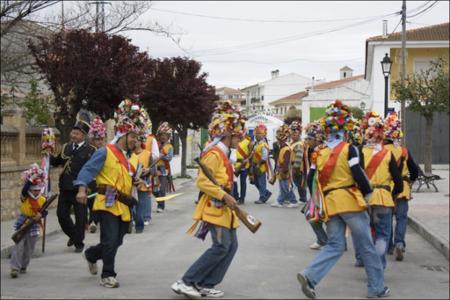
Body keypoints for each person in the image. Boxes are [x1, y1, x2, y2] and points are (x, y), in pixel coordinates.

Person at [297, 100, 389, 299]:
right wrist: (367, 193)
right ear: (345, 128)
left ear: (327, 130)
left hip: (330, 204)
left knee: (335, 245)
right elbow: (358, 173)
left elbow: (312, 179)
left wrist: (315, 204)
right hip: (349, 200)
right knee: (366, 245)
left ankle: (309, 275)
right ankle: (376, 288)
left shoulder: (319, 152)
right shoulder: (350, 149)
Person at [171, 100, 246, 299]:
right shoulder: (214, 154)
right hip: (215, 206)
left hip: (225, 209)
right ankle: (186, 281)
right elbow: (202, 183)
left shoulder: (224, 154)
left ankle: (206, 283)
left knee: (232, 246)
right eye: (238, 135)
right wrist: (224, 194)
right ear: (229, 134)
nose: (241, 139)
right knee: (221, 246)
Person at [74, 99, 147, 288]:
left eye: (137, 138)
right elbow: (87, 170)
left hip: (123, 204)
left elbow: (128, 179)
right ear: (124, 133)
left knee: (117, 241)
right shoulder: (105, 152)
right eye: (133, 137)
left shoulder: (128, 158)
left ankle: (91, 254)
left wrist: (136, 181)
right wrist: (82, 189)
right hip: (105, 202)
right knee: (109, 240)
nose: (135, 141)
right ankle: (108, 275)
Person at [355, 112, 403, 270]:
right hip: (383, 198)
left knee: (365, 233)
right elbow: (399, 182)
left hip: (365, 198)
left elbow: (356, 176)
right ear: (382, 136)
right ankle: (378, 266)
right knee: (382, 235)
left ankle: (363, 259)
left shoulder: (360, 152)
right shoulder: (388, 154)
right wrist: (393, 195)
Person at [50, 115, 96, 253]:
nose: (73, 135)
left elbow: (93, 170)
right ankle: (73, 236)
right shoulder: (65, 147)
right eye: (73, 132)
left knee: (80, 218)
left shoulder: (91, 150)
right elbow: (57, 162)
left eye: (77, 133)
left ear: (83, 135)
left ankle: (79, 242)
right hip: (65, 187)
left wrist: (90, 187)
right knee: (62, 215)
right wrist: (48, 153)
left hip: (80, 188)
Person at [384, 112, 419, 261]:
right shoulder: (404, 151)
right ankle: (400, 243)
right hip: (403, 188)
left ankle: (390, 246)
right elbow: (414, 169)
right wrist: (411, 180)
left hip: (387, 188)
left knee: (388, 218)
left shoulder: (383, 151)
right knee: (401, 218)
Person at [10, 164, 47, 278]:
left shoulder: (42, 199)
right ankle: (15, 268)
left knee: (29, 248)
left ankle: (24, 265)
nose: (35, 192)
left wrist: (40, 215)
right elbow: (25, 188)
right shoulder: (25, 197)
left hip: (34, 224)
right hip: (23, 222)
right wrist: (33, 177)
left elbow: (45, 212)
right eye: (33, 190)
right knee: (18, 245)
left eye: (37, 190)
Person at [303, 122, 328, 250]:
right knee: (314, 214)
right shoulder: (314, 151)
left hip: (322, 189)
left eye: (309, 139)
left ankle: (326, 240)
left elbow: (315, 172)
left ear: (317, 139)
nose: (307, 141)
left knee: (312, 214)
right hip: (316, 189)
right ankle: (325, 240)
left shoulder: (322, 151)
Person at [86, 117, 107, 233]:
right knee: (90, 202)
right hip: (91, 180)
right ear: (92, 139)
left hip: (101, 180)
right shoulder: (89, 150)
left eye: (101, 139)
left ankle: (93, 221)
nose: (99, 141)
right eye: (97, 139)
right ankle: (92, 221)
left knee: (97, 201)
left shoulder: (105, 151)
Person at [272, 124, 298, 208]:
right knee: (282, 187)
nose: (278, 141)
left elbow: (286, 161)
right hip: (281, 170)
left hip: (284, 171)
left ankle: (293, 201)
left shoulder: (286, 149)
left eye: (279, 139)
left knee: (286, 187)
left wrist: (284, 171)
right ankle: (280, 201)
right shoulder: (282, 147)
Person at [132, 123, 152, 233]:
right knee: (132, 203)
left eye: (137, 140)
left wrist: (149, 170)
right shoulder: (129, 154)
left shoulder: (148, 154)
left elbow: (153, 168)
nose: (135, 142)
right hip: (131, 181)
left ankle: (144, 218)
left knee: (142, 202)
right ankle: (135, 219)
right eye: (134, 140)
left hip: (144, 181)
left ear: (141, 142)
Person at [155, 122, 174, 213]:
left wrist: (161, 156)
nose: (163, 137)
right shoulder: (156, 145)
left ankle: (161, 206)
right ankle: (159, 200)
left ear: (168, 136)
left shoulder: (170, 146)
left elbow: (169, 158)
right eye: (162, 135)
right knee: (153, 189)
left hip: (163, 169)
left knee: (162, 188)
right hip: (154, 168)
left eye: (165, 135)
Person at [252, 124, 272, 204]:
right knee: (256, 182)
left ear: (263, 135)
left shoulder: (263, 145)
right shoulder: (257, 143)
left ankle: (262, 197)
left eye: (259, 134)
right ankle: (266, 193)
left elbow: (264, 157)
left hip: (261, 166)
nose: (257, 135)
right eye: (256, 134)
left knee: (261, 182)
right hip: (255, 165)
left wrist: (258, 164)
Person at [144, 122, 160, 225]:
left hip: (147, 169)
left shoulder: (151, 139)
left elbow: (156, 155)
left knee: (147, 192)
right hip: (133, 168)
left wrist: (144, 156)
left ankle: (146, 217)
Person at [289, 120, 309, 203]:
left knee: (300, 183)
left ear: (299, 134)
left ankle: (303, 198)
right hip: (293, 166)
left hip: (297, 167)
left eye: (295, 133)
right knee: (297, 183)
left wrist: (295, 167)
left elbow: (299, 157)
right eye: (292, 133)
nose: (293, 135)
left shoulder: (299, 144)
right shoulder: (293, 143)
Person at [232, 133, 253, 204]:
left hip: (244, 164)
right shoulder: (235, 141)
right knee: (233, 181)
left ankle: (242, 198)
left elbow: (251, 154)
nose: (240, 135)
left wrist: (247, 160)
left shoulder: (248, 142)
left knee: (243, 182)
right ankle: (235, 196)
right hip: (236, 165)